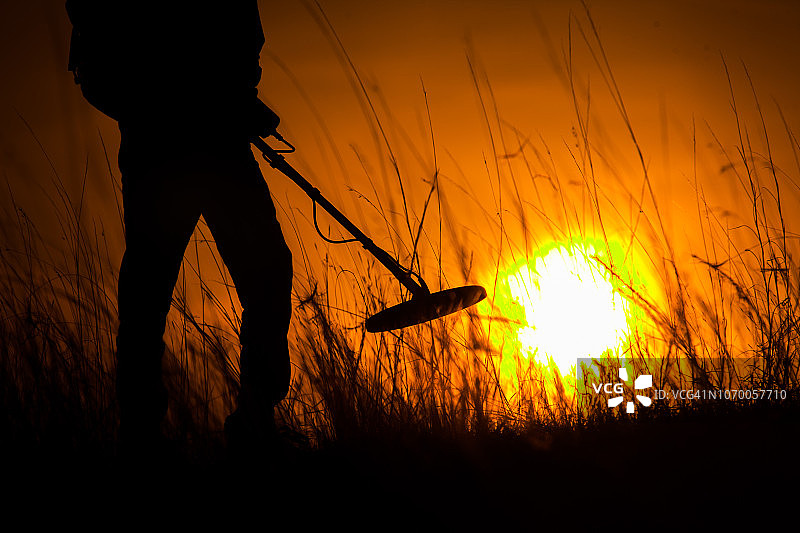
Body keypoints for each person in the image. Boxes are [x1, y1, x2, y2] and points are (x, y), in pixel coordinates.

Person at [65, 1, 293, 457]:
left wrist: (238, 98)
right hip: (163, 153)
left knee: (262, 271)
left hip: (211, 146)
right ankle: (144, 432)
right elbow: (94, 66)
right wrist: (185, 107)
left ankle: (252, 421)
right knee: (151, 291)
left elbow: (245, 38)